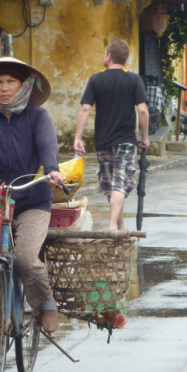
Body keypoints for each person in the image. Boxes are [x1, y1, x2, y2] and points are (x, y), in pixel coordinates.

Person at [0, 57, 66, 354]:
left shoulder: (37, 116)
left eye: (11, 81)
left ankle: (46, 302)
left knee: (26, 258)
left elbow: (47, 147)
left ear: (23, 85)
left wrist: (52, 170)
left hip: (32, 199)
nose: (4, 88)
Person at [74, 39, 150, 231]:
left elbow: (85, 109)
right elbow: (142, 110)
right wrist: (145, 137)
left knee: (112, 185)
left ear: (109, 56)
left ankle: (118, 227)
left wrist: (78, 138)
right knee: (119, 184)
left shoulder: (96, 79)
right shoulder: (134, 80)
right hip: (125, 141)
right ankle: (112, 228)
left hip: (103, 141)